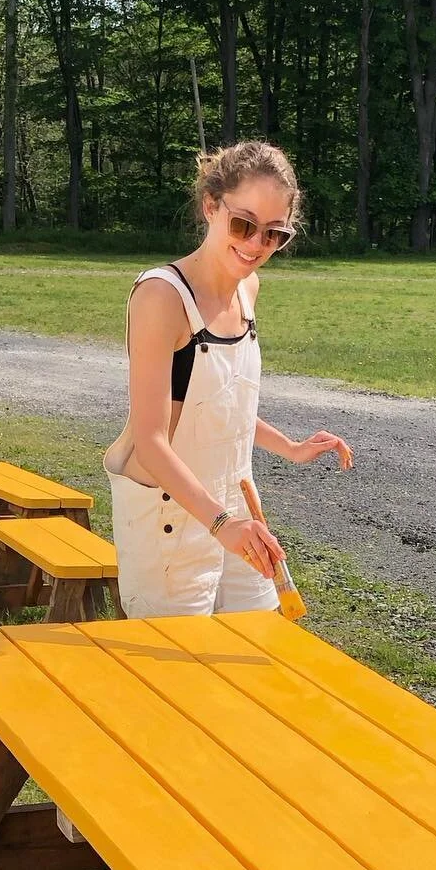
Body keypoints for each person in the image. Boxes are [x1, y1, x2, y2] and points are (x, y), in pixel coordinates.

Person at [104, 139, 353, 618]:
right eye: (244, 224)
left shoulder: (248, 290)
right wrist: (219, 524)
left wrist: (292, 448)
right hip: (167, 523)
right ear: (210, 207)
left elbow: (221, 402)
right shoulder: (161, 297)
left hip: (235, 510)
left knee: (257, 656)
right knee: (179, 679)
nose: (256, 245)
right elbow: (152, 441)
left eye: (274, 234)